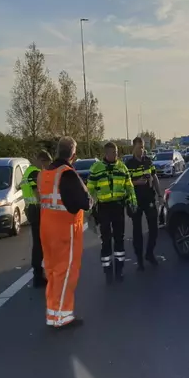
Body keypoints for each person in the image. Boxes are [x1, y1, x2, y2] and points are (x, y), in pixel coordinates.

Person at [37, 137, 92, 329]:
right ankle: (63, 317)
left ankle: (53, 314)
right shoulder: (67, 174)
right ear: (73, 155)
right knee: (67, 272)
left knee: (53, 272)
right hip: (65, 231)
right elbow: (84, 201)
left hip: (46, 229)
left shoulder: (45, 174)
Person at [87, 142, 137, 284]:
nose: (116, 155)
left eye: (116, 152)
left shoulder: (122, 167)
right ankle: (108, 272)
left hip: (118, 207)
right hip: (104, 208)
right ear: (106, 153)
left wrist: (133, 203)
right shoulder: (96, 168)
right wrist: (89, 211)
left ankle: (119, 271)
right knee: (106, 240)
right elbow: (89, 190)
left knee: (119, 239)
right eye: (113, 152)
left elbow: (129, 187)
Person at [125, 137, 163, 271]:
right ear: (134, 147)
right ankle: (140, 259)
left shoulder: (148, 161)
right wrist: (137, 182)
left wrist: (160, 195)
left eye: (142, 147)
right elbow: (125, 183)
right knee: (137, 231)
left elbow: (155, 177)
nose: (141, 149)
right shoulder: (129, 164)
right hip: (136, 200)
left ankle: (149, 253)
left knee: (154, 228)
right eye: (139, 147)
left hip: (149, 198)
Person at [22, 150, 52, 288]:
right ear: (41, 160)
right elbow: (37, 193)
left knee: (39, 243)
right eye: (46, 163)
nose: (46, 167)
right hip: (37, 210)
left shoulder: (29, 171)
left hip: (32, 209)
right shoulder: (34, 173)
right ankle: (39, 275)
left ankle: (39, 274)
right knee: (40, 244)